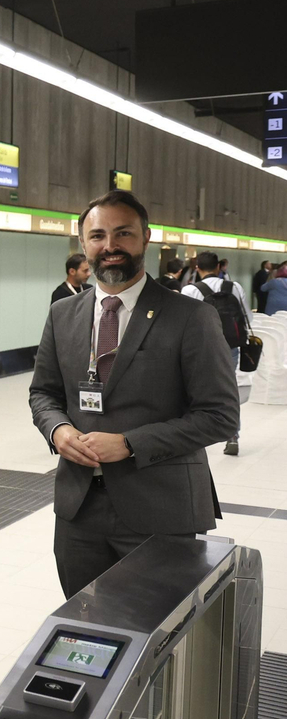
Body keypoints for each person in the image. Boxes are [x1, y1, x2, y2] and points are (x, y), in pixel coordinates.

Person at [29, 190, 238, 598]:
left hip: (160, 507)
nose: (110, 246)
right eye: (97, 236)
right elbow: (43, 393)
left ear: (146, 237)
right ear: (83, 243)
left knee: (157, 627)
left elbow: (219, 416)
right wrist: (57, 430)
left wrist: (129, 444)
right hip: (78, 509)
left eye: (122, 233)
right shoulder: (62, 314)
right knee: (83, 623)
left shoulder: (191, 317)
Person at [182, 251, 250, 456]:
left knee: (193, 388)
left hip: (199, 347)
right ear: (219, 266)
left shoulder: (190, 290)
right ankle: (233, 436)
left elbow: (182, 323)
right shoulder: (234, 287)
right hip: (230, 345)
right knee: (228, 388)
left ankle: (193, 435)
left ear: (197, 268)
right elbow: (247, 317)